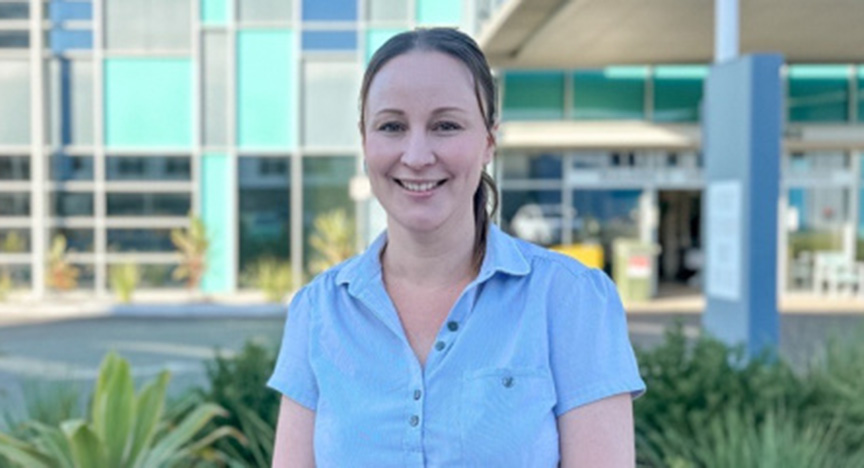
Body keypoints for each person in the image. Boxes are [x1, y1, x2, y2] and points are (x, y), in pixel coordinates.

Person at [268, 28, 646, 467]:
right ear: (364, 141)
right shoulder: (318, 310)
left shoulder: (571, 299)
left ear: (489, 140)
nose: (416, 155)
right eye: (392, 126)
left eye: (445, 126)